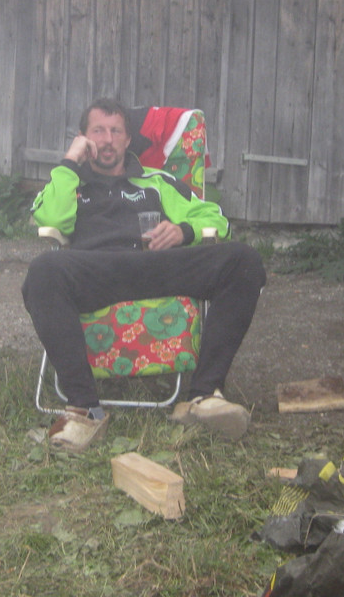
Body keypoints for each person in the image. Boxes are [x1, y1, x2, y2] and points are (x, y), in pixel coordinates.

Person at [22, 97, 266, 452]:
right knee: (43, 271)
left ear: (127, 139)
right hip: (96, 271)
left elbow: (216, 220)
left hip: (155, 265)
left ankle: (203, 396)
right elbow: (51, 221)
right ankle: (85, 409)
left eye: (115, 131)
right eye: (98, 131)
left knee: (243, 260)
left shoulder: (157, 181)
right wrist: (69, 163)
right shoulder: (70, 182)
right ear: (83, 138)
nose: (107, 139)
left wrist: (183, 231)